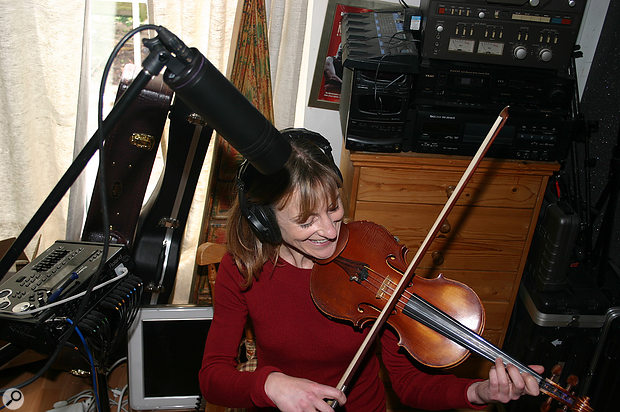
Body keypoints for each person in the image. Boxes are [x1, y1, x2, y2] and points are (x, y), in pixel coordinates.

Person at [199, 128, 543, 411]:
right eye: (306, 222)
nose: (331, 231)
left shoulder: (372, 256)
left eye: (333, 208)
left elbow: (409, 384)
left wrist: (479, 392)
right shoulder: (243, 268)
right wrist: (271, 384)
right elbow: (212, 378)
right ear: (265, 222)